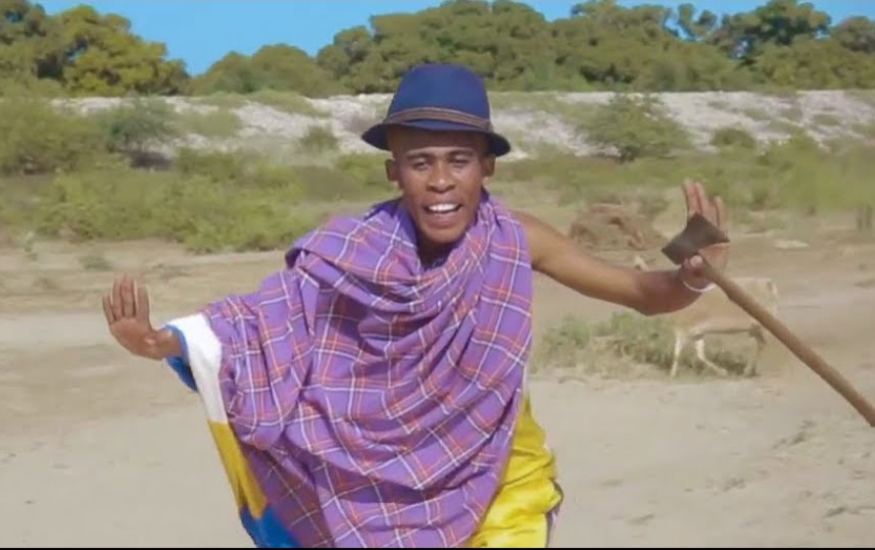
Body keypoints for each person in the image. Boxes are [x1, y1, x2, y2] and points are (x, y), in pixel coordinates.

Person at [102, 63, 729, 548]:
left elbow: (644, 295)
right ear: (393, 172)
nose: (440, 181)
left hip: (500, 476)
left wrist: (695, 271)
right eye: (419, 162)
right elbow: (257, 324)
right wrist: (161, 342)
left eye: (459, 160)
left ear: (487, 167)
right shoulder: (350, 250)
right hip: (371, 490)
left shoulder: (516, 239)